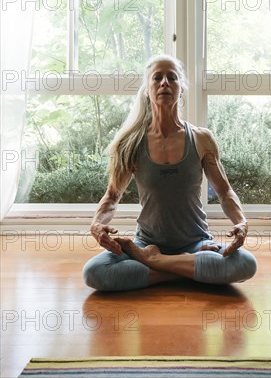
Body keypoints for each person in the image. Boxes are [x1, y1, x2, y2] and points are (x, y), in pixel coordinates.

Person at [83, 55, 257, 292]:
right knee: (94, 272)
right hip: (146, 242)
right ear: (147, 90)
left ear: (181, 89)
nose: (165, 82)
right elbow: (112, 196)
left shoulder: (201, 138)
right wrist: (96, 224)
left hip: (196, 243)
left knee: (246, 264)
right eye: (157, 77)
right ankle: (188, 271)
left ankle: (155, 263)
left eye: (172, 77)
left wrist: (241, 222)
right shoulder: (131, 143)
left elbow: (225, 192)